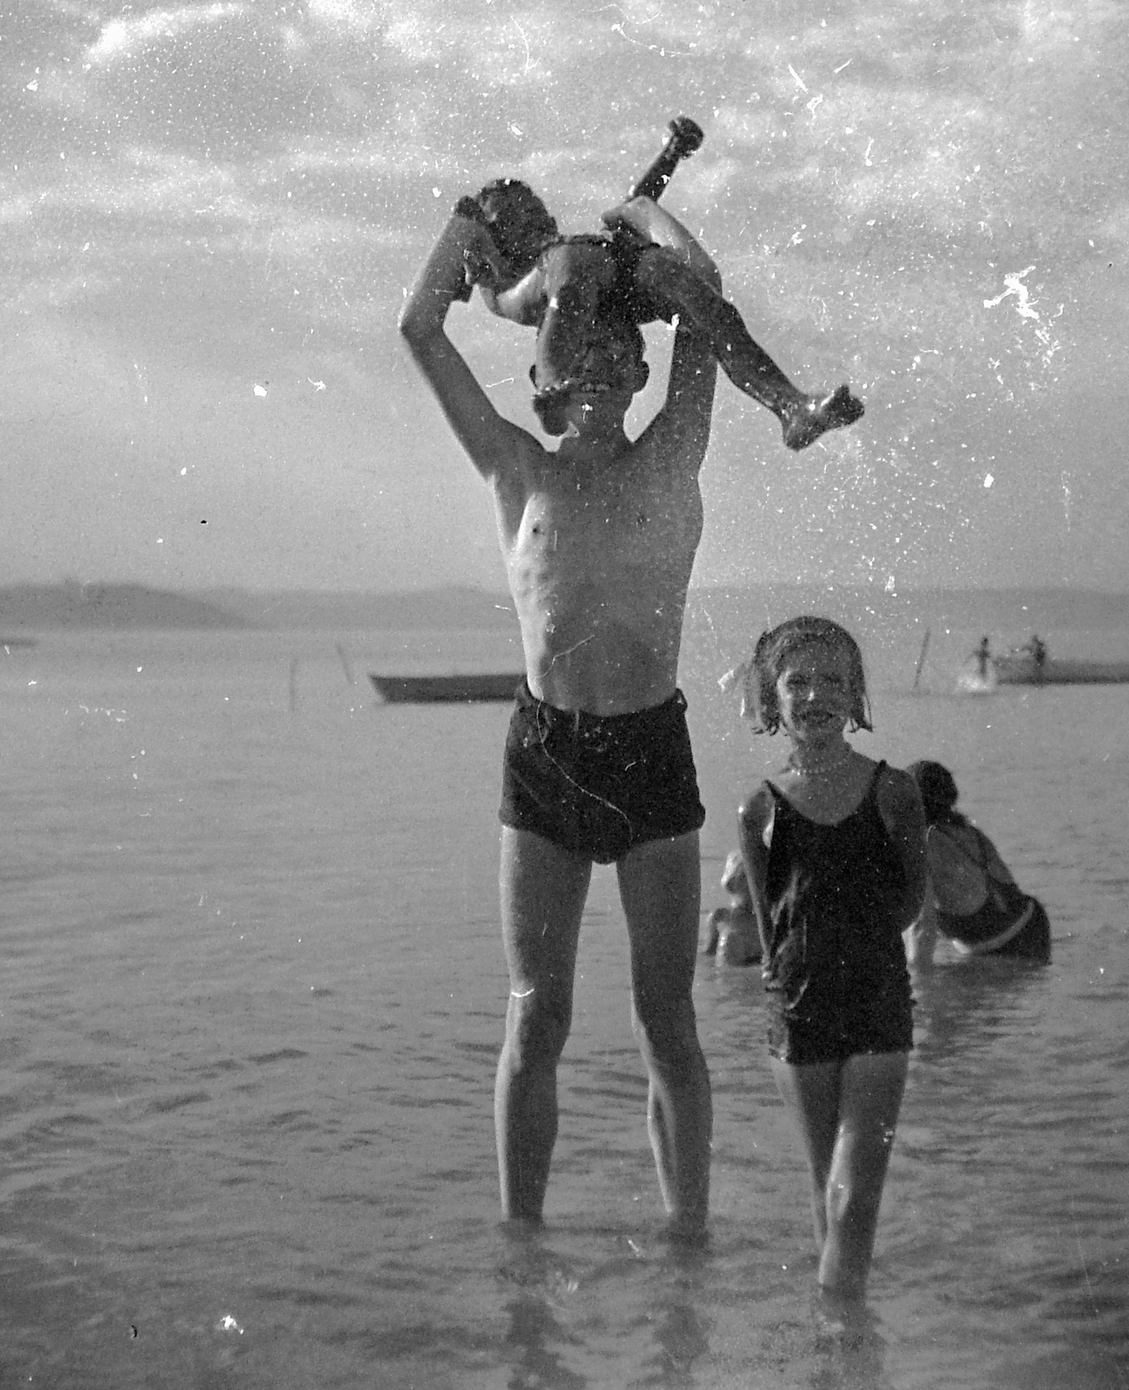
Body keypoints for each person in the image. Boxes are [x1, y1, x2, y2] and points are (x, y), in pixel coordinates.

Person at [400, 189, 722, 1238]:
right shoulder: (513, 467)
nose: (590, 375)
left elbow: (705, 295)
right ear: (539, 380)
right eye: (567, 361)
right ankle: (520, 1253)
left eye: (610, 360)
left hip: (648, 747)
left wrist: (641, 219)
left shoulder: (673, 456)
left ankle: (688, 1246)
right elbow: (419, 326)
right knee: (537, 1014)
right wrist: (468, 223)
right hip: (543, 752)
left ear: (637, 371)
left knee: (667, 1017)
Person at [734, 616, 927, 1299]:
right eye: (798, 681)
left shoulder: (895, 792)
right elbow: (768, 925)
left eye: (834, 681)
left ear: (857, 698)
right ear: (771, 699)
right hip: (798, 1016)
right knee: (825, 1196)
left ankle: (843, 1338)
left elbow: (910, 901)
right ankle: (841, 1348)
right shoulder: (757, 809)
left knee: (853, 1202)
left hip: (877, 1008)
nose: (816, 695)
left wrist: (857, 943)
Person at [455, 174, 863, 449]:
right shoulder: (507, 279)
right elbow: (473, 274)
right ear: (494, 239)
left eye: (536, 213)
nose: (533, 223)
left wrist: (671, 155)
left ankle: (788, 405)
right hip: (570, 285)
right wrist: (464, 239)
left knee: (704, 303)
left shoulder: (577, 244)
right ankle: (552, 389)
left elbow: (636, 201)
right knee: (571, 269)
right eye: (513, 222)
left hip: (625, 277)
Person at [904, 761, 1050, 966]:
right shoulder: (971, 833)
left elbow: (922, 928)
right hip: (1032, 925)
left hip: (997, 945)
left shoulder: (922, 845)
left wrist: (914, 986)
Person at [700, 850, 762, 965]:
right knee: (730, 938)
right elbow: (708, 956)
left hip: (756, 963)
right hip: (735, 966)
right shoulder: (721, 917)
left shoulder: (769, 918)